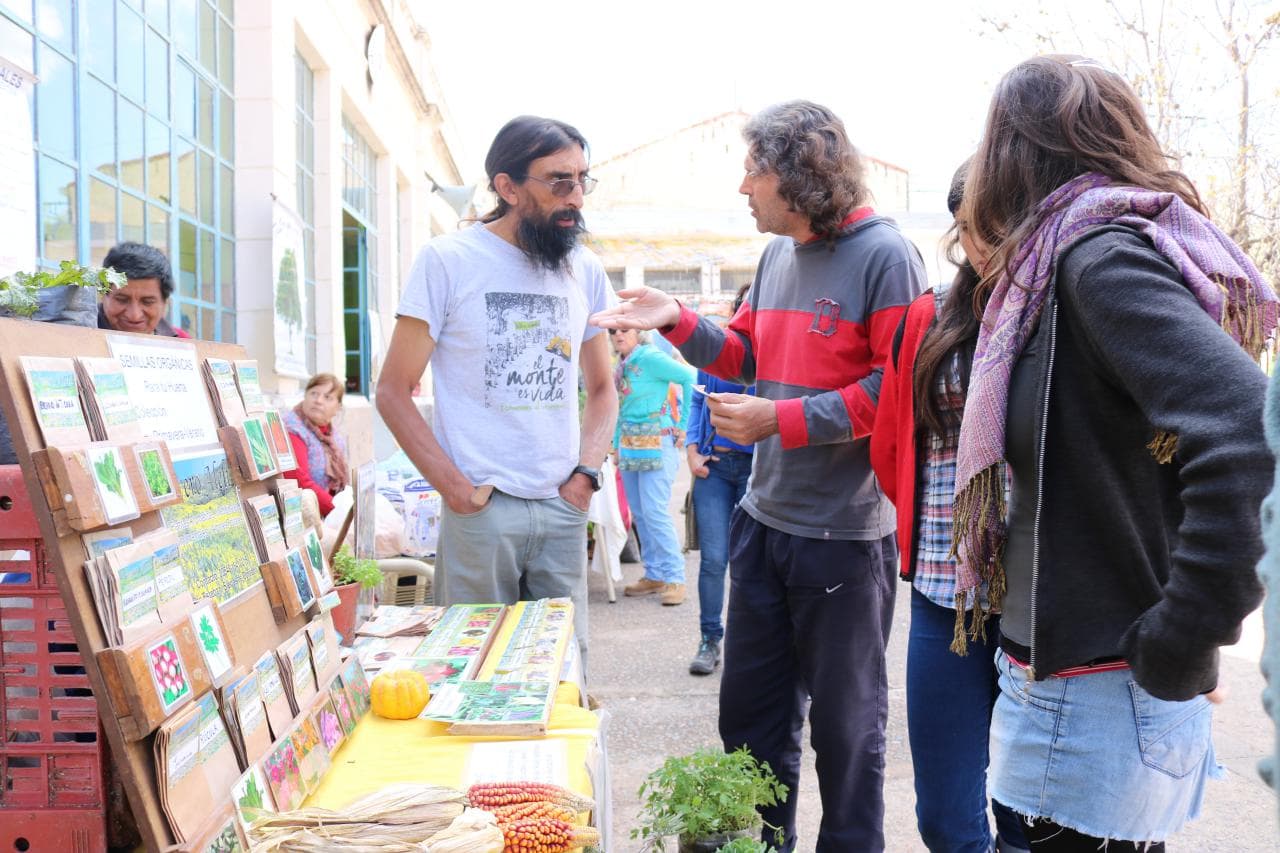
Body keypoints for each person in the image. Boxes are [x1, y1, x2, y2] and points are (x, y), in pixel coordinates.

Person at [954, 55, 1274, 850]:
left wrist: (1185, 633)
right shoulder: (1051, 269)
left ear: (1015, 154)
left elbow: (1245, 432)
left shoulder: (1097, 258)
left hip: (1099, 693)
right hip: (1066, 684)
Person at [592, 100, 925, 852]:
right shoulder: (776, 258)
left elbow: (895, 390)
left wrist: (783, 420)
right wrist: (672, 315)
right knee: (749, 722)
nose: (743, 187)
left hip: (843, 537)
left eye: (753, 170)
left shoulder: (887, 255)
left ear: (799, 173)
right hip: (764, 522)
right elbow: (739, 353)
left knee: (847, 733)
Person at [376, 116, 617, 662]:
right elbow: (392, 390)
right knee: (469, 669)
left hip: (562, 506)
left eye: (581, 179)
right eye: (558, 181)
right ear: (507, 187)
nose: (575, 196)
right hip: (483, 510)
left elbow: (603, 389)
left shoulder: (586, 269)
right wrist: (457, 491)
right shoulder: (449, 260)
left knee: (561, 670)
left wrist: (585, 476)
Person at [870, 163, 1027, 852]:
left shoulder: (1063, 310)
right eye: (971, 224)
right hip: (944, 595)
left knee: (1030, 812)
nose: (984, 241)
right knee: (944, 814)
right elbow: (890, 443)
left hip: (1039, 608)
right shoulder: (929, 315)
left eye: (1000, 222)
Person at [685, 285, 754, 676]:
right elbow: (697, 398)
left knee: (750, 564)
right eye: (741, 308)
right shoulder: (716, 348)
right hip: (714, 469)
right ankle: (710, 638)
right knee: (713, 560)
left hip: (755, 472)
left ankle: (748, 645)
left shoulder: (775, 353)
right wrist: (693, 447)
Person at [611, 326, 695, 606]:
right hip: (630, 444)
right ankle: (655, 574)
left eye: (625, 329)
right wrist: (614, 445)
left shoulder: (650, 357)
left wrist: (683, 428)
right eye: (613, 330)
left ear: (639, 333)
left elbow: (688, 376)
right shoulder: (623, 364)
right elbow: (619, 407)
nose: (618, 334)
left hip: (658, 441)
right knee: (641, 513)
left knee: (655, 510)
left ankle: (675, 578)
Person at [281, 373, 349, 518]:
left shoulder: (333, 437)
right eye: (314, 394)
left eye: (327, 397)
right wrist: (339, 512)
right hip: (302, 516)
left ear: (338, 407)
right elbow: (298, 482)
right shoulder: (292, 429)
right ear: (305, 396)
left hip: (327, 513)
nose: (318, 401)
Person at [97, 242, 190, 337]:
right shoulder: (82, 335)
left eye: (147, 302)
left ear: (165, 303)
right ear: (103, 296)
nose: (134, 316)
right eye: (122, 300)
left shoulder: (184, 342)